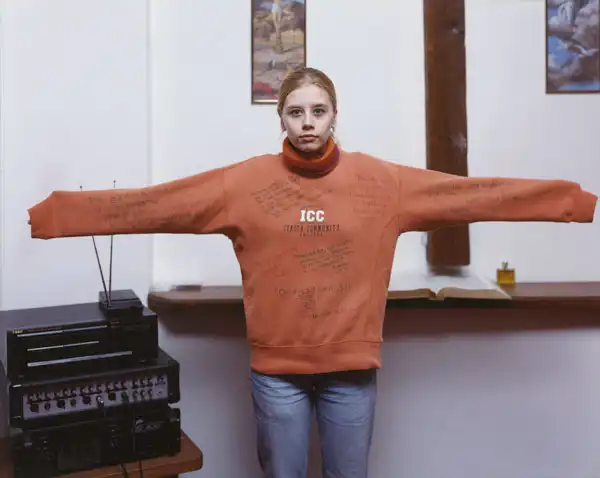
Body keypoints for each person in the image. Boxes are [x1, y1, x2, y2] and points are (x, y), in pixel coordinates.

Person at [27, 67, 598, 478]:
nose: (307, 123)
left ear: (334, 115)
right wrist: (58, 216)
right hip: (278, 372)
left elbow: (473, 196)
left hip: (353, 370)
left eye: (318, 111)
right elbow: (158, 204)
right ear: (280, 117)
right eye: (295, 112)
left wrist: (568, 201)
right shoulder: (243, 184)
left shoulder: (383, 183)